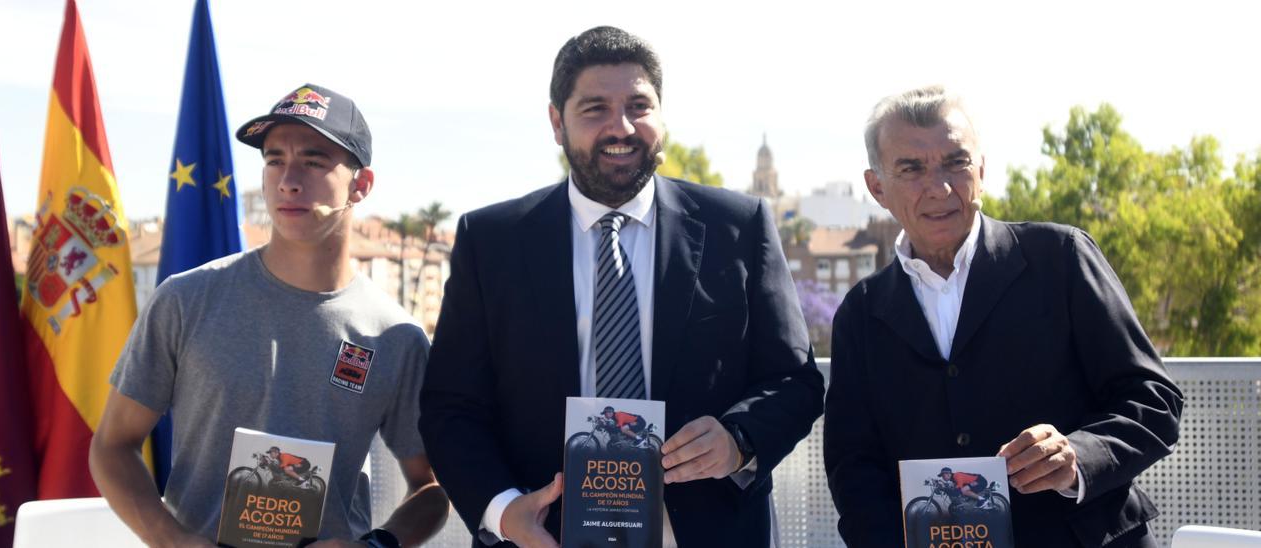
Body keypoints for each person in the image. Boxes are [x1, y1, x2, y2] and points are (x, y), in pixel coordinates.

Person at [419, 26, 824, 548]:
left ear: (663, 116)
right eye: (595, 109)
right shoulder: (491, 241)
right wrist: (503, 511)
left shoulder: (738, 226)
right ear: (556, 122)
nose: (622, 127)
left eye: (639, 105)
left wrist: (737, 441)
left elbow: (794, 381)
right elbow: (452, 407)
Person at [823, 85, 1183, 548]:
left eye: (956, 161)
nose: (940, 187)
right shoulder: (860, 313)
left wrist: (1078, 455)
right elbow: (854, 468)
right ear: (877, 188)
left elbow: (1154, 400)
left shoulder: (1062, 259)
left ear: (983, 169)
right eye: (911, 168)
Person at [89, 83, 447, 548]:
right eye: (274, 159)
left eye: (314, 162)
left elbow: (431, 487)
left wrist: (378, 545)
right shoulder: (185, 300)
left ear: (361, 186)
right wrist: (172, 540)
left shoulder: (395, 335)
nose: (288, 179)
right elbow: (112, 445)